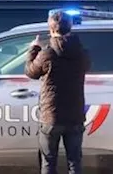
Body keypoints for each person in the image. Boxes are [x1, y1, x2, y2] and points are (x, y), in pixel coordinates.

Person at [25, 10, 91, 174]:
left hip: (51, 116)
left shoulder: (47, 53)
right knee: (74, 162)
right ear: (70, 28)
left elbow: (31, 72)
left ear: (51, 29)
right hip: (75, 116)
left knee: (48, 162)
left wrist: (34, 49)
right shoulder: (81, 53)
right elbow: (87, 65)